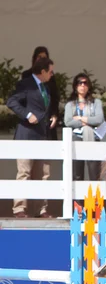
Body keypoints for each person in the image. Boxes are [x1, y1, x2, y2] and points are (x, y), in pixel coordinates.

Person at [7, 57, 57, 218]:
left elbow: (44, 108)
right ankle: (19, 209)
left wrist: (52, 117)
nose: (52, 74)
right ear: (42, 71)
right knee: (24, 173)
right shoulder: (25, 84)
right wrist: (28, 114)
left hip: (42, 136)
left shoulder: (46, 87)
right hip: (26, 136)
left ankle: (40, 209)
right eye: (50, 71)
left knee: (43, 174)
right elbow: (12, 102)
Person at [64, 73, 105, 182]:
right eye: (79, 83)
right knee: (77, 173)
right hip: (76, 138)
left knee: (94, 172)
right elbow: (68, 122)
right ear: (75, 86)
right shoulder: (70, 104)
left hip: (93, 138)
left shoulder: (96, 102)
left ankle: (95, 199)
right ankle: (77, 200)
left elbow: (99, 119)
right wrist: (87, 121)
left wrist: (80, 118)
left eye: (85, 83)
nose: (82, 85)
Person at [21, 46, 60, 141]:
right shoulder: (27, 75)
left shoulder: (50, 75)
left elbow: (55, 97)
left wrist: (54, 114)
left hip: (47, 118)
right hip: (32, 118)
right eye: (39, 56)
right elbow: (21, 99)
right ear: (34, 58)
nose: (42, 59)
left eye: (44, 57)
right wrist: (28, 115)